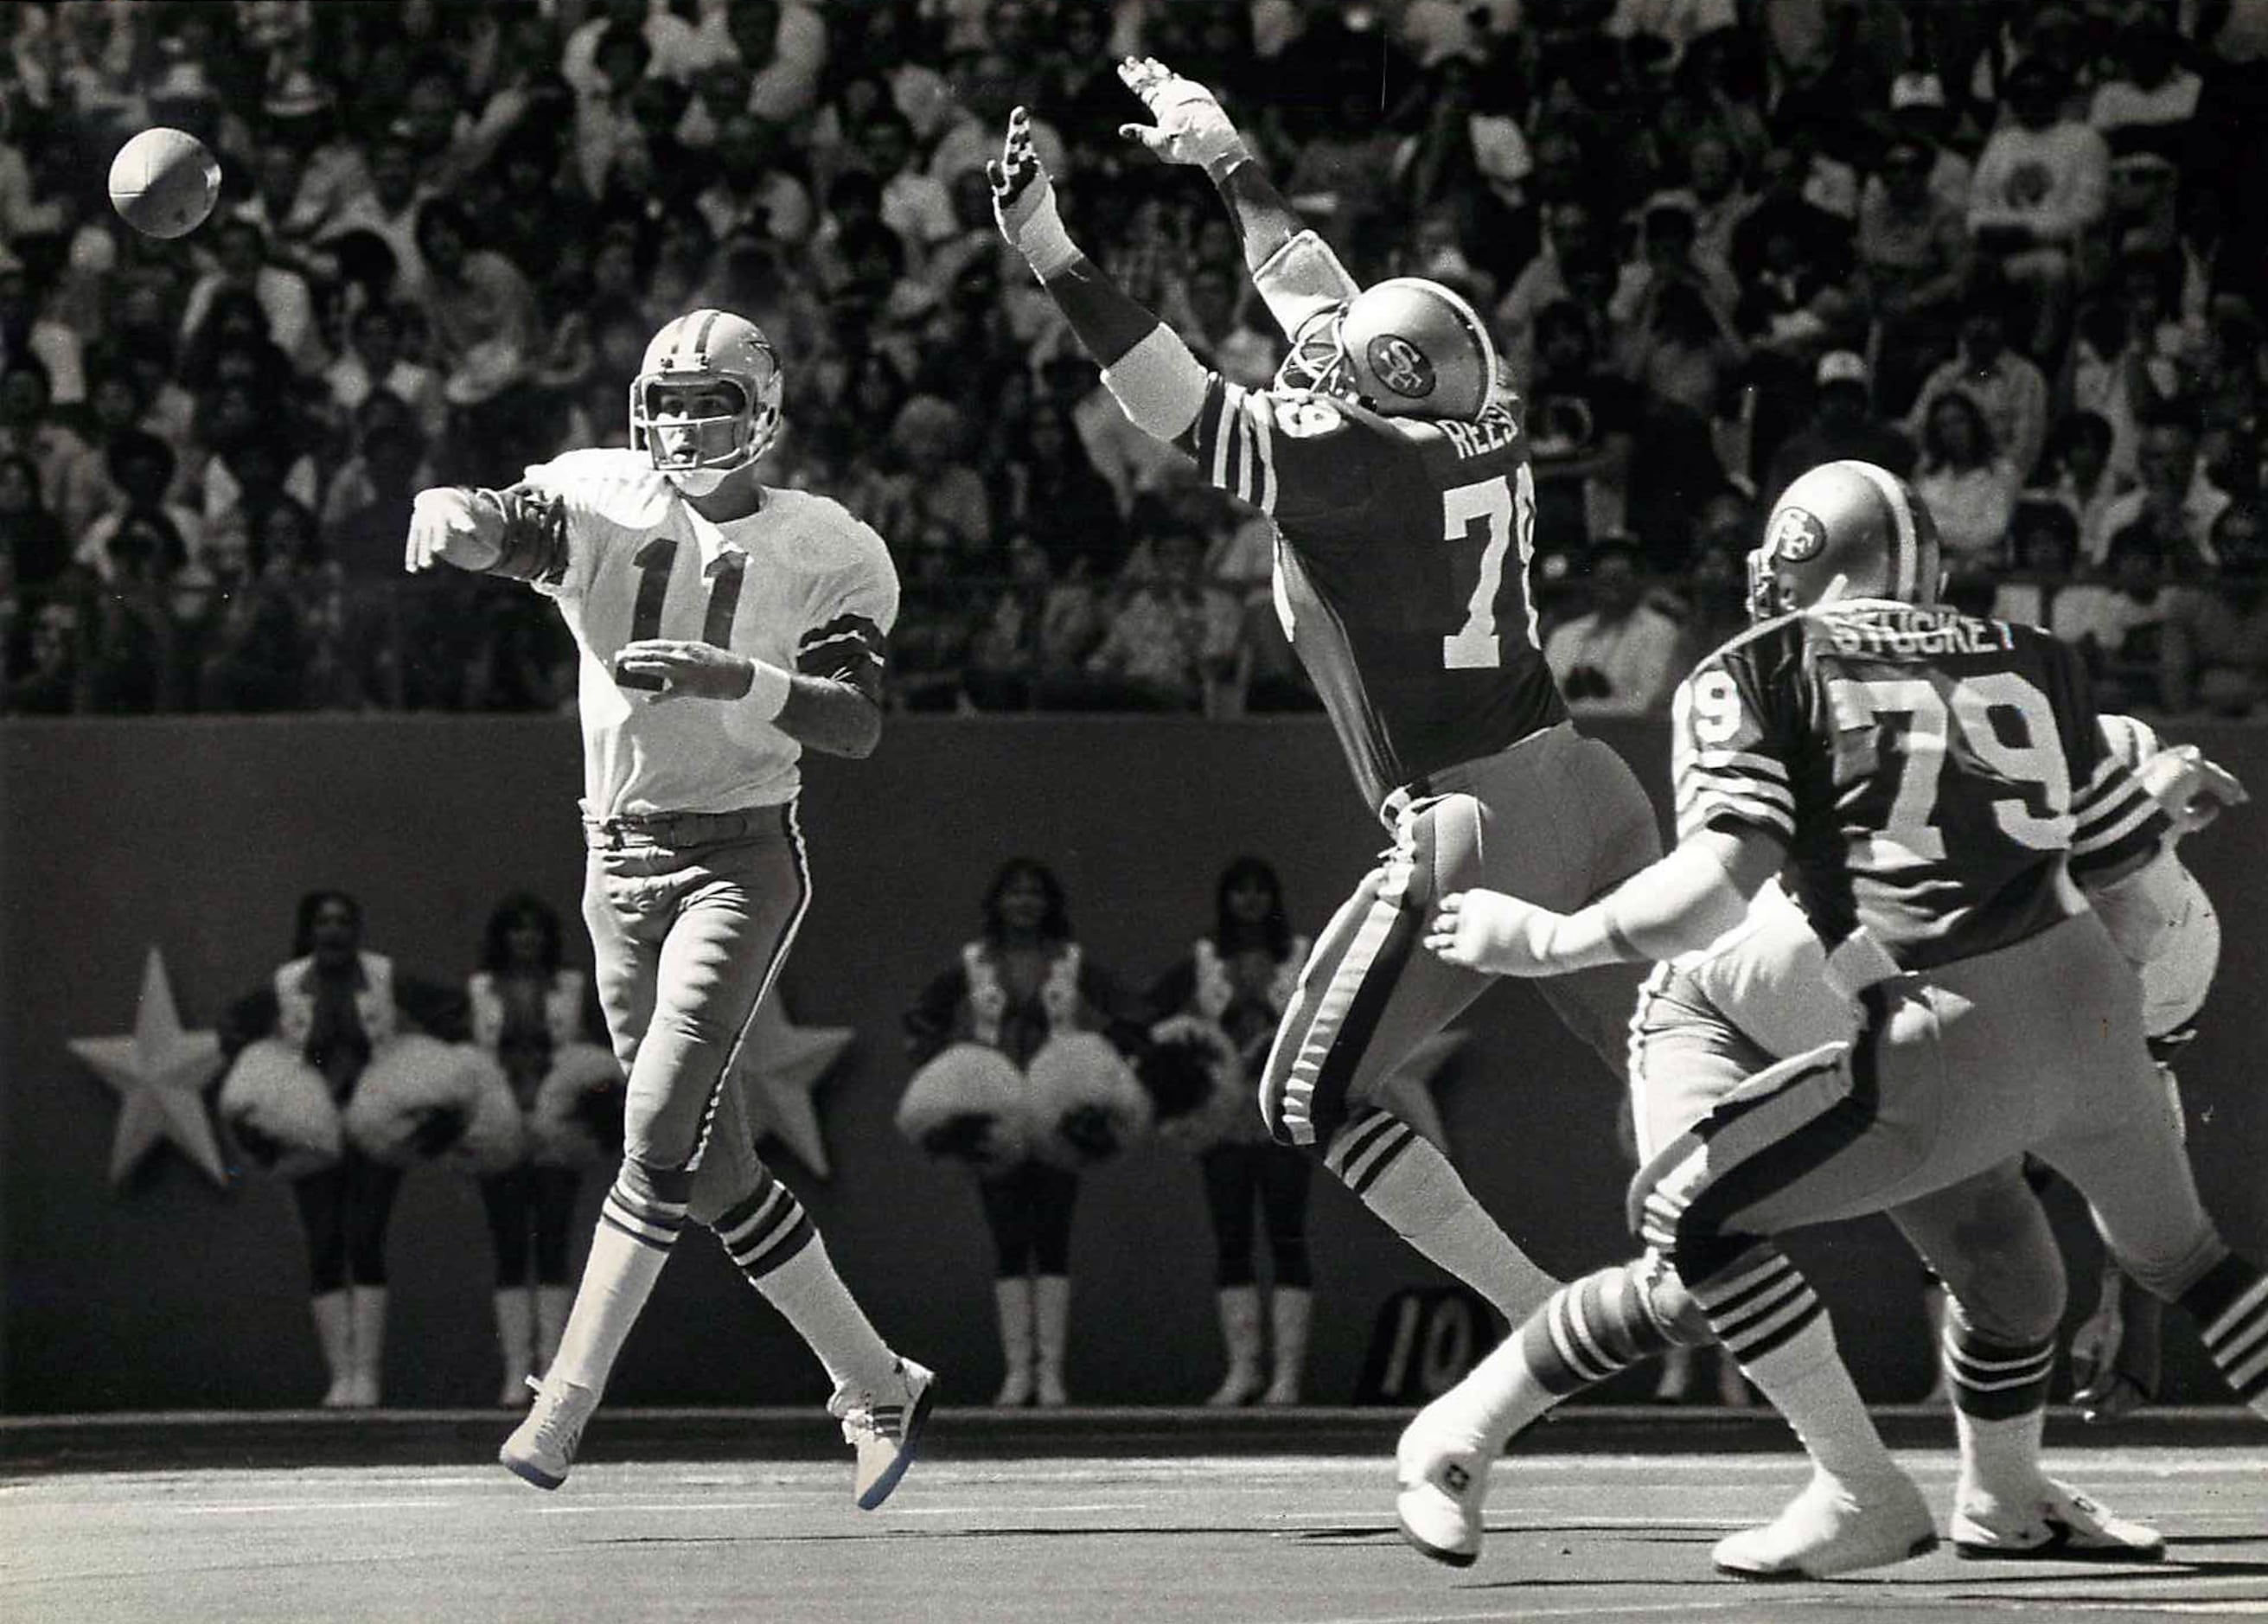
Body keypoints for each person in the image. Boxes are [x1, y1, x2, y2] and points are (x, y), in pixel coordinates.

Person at [1396, 460, 2268, 1578]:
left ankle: (1979, 1496)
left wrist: (1539, 940)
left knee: (1990, 1271)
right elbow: (2116, 881)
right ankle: (1475, 1435)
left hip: (1914, 1013)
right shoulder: (2038, 668)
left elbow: (1711, 883)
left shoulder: (1762, 667)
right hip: (1821, 998)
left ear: (1800, 556)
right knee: (1709, 1261)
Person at [993, 59, 1661, 1332]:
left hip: (1470, 822)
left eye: (1326, 375)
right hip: (1584, 780)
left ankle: (1540, 1317)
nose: (1307, 374)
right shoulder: (1485, 410)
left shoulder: (1353, 466)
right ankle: (1809, 1307)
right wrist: (1225, 155)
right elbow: (1317, 294)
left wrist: (1048, 252)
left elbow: (1170, 395)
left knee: (1307, 1098)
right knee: (1680, 1075)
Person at [405, 305, 934, 1509]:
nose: (691, 423)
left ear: (766, 414)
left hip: (739, 858)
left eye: (715, 402)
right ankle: (874, 1378)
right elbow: (513, 532)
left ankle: (565, 1400)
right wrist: (455, 510)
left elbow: (853, 724)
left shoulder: (830, 545)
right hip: (614, 864)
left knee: (652, 1130)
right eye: (673, 400)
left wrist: (732, 674)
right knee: (706, 1171)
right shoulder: (604, 496)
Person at [901, 858, 1152, 1408]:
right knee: (1009, 1236)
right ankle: (1018, 1373)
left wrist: (1110, 1059)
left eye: (1035, 893)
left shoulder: (1071, 962)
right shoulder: (973, 962)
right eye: (1014, 892)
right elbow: (922, 1014)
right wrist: (948, 1067)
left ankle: (1052, 1374)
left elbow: (1132, 1010)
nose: (1024, 902)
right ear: (997, 901)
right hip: (995, 1106)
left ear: (1049, 903)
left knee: (1055, 1234)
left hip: (1061, 1109)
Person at [216, 890, 470, 1407]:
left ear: (357, 930)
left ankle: (367, 1375)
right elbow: (234, 1025)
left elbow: (449, 1008)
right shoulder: (287, 983)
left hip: (376, 1115)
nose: (333, 931)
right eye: (322, 922)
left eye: (342, 921)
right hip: (312, 1117)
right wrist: (267, 1074)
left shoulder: (381, 975)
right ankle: (341, 1376)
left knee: (367, 1235)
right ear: (308, 931)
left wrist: (428, 1065)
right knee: (325, 1239)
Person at [1146, 858, 1318, 1407]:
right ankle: (1243, 1370)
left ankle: (1287, 1376)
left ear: (1274, 896)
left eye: (1260, 889)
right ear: (1225, 898)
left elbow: (1327, 1017)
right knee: (1233, 1238)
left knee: (1288, 1234)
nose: (1250, 899)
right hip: (1223, 1118)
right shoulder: (1204, 960)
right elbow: (1148, 1014)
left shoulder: (1301, 954)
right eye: (1239, 890)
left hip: (1284, 1113)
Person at [464, 892, 621, 1410]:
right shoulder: (480, 989)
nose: (526, 939)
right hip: (502, 1120)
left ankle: (552, 1366)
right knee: (509, 1244)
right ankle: (515, 1370)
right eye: (517, 929)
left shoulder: (574, 987)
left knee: (552, 1239)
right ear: (503, 938)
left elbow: (597, 1052)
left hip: (558, 1127)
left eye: (535, 930)